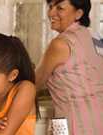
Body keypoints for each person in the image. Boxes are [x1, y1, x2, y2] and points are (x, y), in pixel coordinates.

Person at [35, 0, 103, 134]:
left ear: (78, 13)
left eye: (60, 8)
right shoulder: (96, 37)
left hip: (73, 122)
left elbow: (34, 83)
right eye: (50, 6)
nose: (51, 13)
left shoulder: (60, 44)